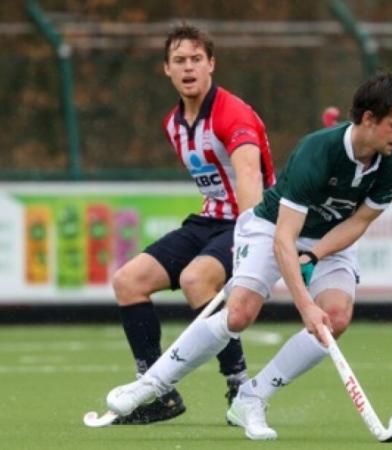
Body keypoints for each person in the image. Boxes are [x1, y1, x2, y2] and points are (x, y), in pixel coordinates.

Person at [104, 72, 392, 440]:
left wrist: (316, 254)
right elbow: (284, 239)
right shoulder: (316, 151)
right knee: (239, 313)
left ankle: (252, 398)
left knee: (334, 318)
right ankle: (152, 385)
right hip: (271, 227)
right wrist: (305, 305)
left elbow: (360, 222)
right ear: (368, 119)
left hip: (330, 238)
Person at [110, 24, 275, 424]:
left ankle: (239, 385)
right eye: (180, 61)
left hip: (250, 222)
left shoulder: (231, 113)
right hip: (207, 220)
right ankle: (155, 391)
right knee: (128, 282)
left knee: (195, 280)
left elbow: (250, 179)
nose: (188, 68)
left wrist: (250, 242)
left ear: (211, 64)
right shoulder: (173, 123)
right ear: (166, 69)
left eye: (196, 60)